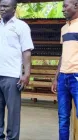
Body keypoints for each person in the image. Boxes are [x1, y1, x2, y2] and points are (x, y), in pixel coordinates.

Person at [0, 0, 34, 139]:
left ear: (14, 9)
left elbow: (26, 51)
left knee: (13, 112)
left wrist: (26, 73)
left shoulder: (22, 26)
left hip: (12, 77)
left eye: (5, 6)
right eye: (1, 6)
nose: (2, 9)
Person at [51, 0, 78, 139]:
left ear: (76, 6)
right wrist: (56, 77)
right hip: (63, 78)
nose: (63, 9)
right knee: (63, 118)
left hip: (76, 77)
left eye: (65, 6)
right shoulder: (63, 29)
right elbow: (63, 54)